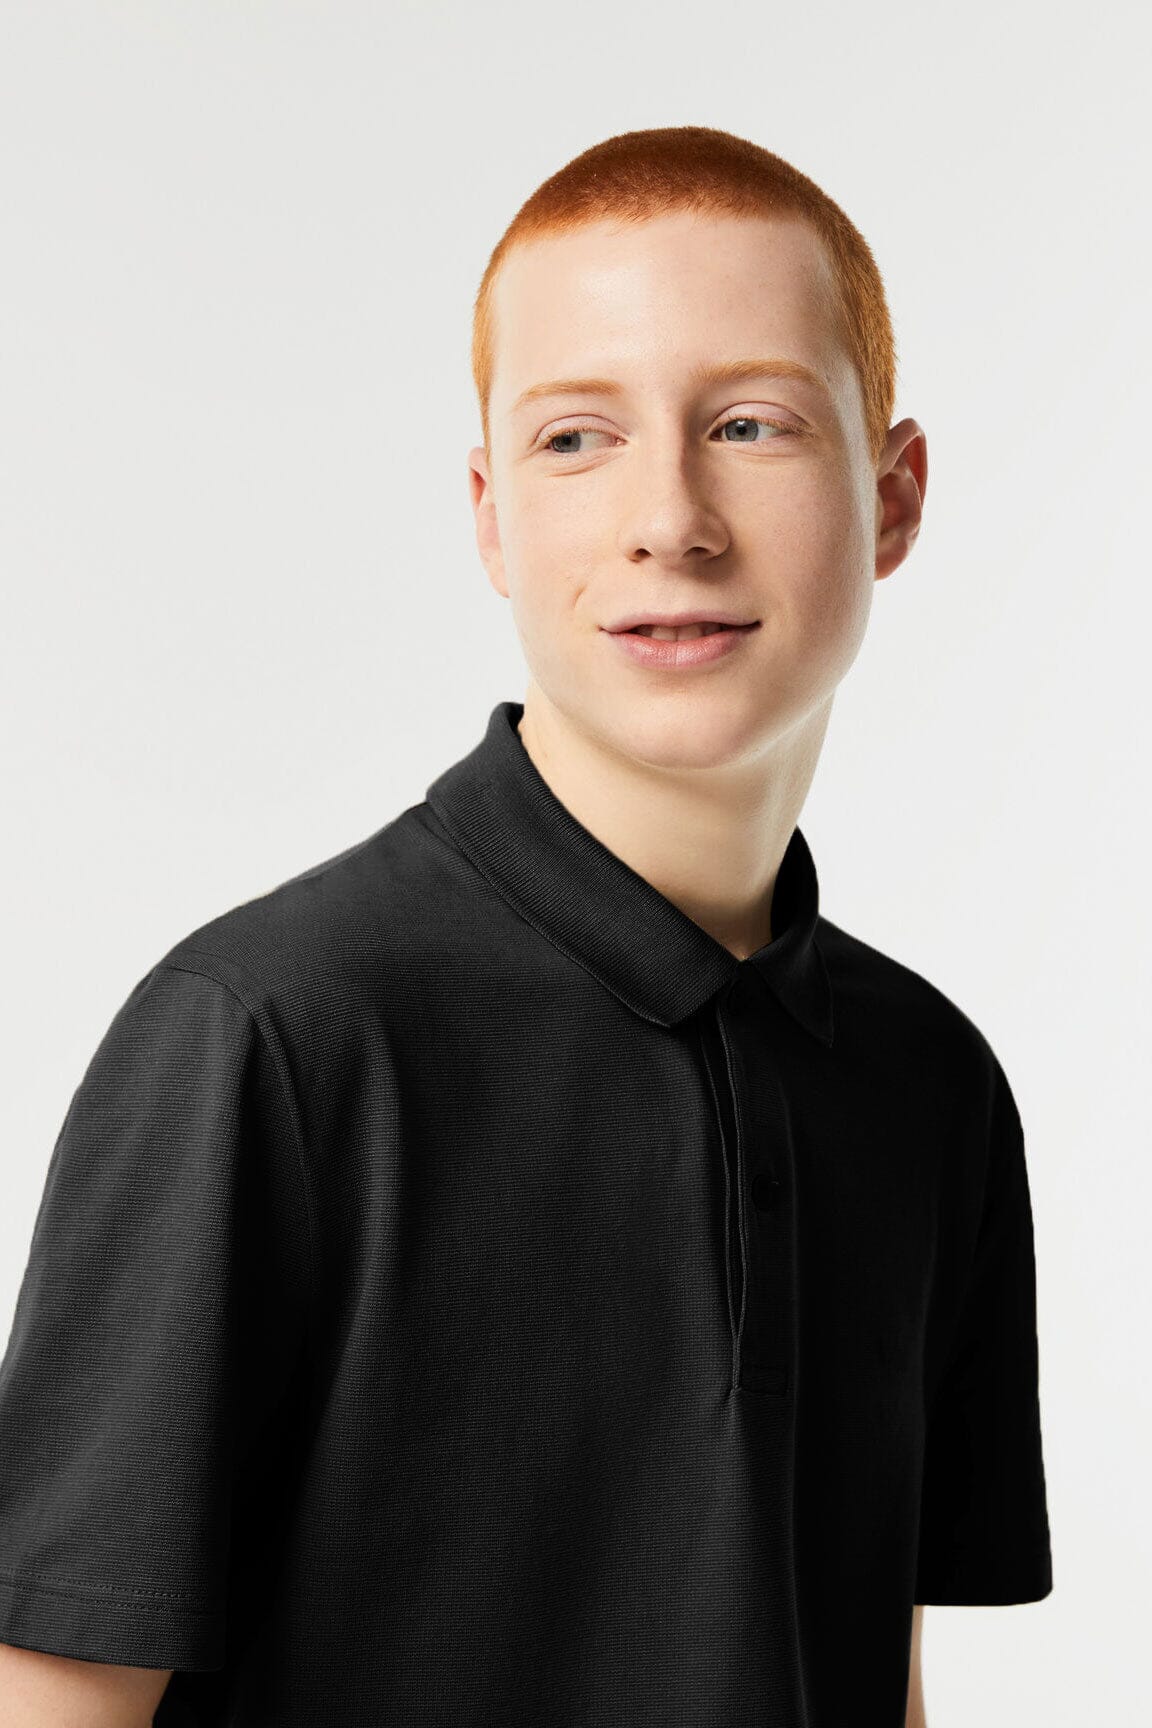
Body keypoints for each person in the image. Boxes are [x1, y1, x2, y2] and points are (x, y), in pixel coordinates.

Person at [0, 125, 1052, 1727]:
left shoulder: (931, 1084)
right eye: (577, 439)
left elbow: (868, 1672)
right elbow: (50, 1695)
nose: (670, 519)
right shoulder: (274, 1036)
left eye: (751, 424)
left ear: (892, 496)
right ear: (492, 518)